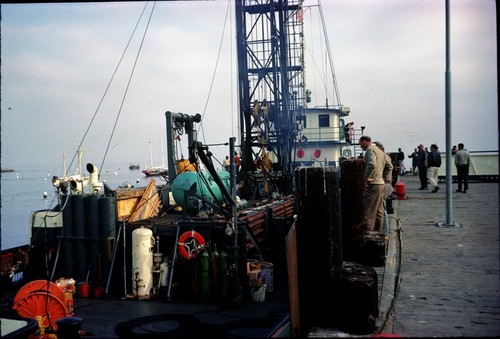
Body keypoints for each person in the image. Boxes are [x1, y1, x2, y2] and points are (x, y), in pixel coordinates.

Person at [359, 136, 386, 236]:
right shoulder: (379, 151)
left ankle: (368, 231)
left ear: (365, 141)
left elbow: (371, 164)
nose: (360, 146)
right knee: (379, 210)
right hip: (380, 183)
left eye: (360, 144)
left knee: (369, 209)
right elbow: (385, 165)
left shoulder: (370, 150)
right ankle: (378, 230)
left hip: (373, 184)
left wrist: (365, 177)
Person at [373, 141, 394, 238]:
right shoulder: (385, 156)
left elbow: (389, 167)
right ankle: (382, 230)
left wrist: (382, 177)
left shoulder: (383, 156)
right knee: (381, 208)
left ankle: (385, 231)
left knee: (382, 208)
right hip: (385, 184)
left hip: (384, 185)